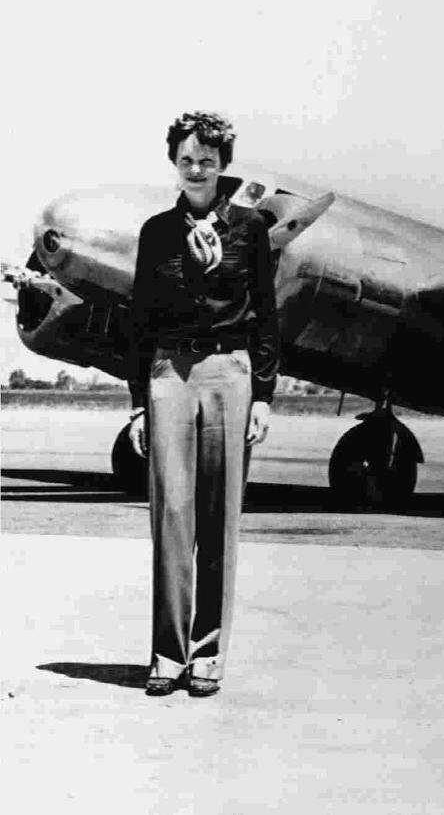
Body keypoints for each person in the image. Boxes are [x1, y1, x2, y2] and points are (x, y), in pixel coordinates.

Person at [126, 110, 280, 697]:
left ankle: (207, 654)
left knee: (219, 518)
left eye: (207, 161)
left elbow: (266, 315)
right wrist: (138, 402)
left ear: (223, 165)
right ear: (174, 162)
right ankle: (167, 656)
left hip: (229, 374)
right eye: (187, 159)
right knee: (171, 516)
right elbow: (140, 322)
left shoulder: (250, 230)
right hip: (170, 373)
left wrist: (263, 395)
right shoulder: (155, 233)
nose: (196, 169)